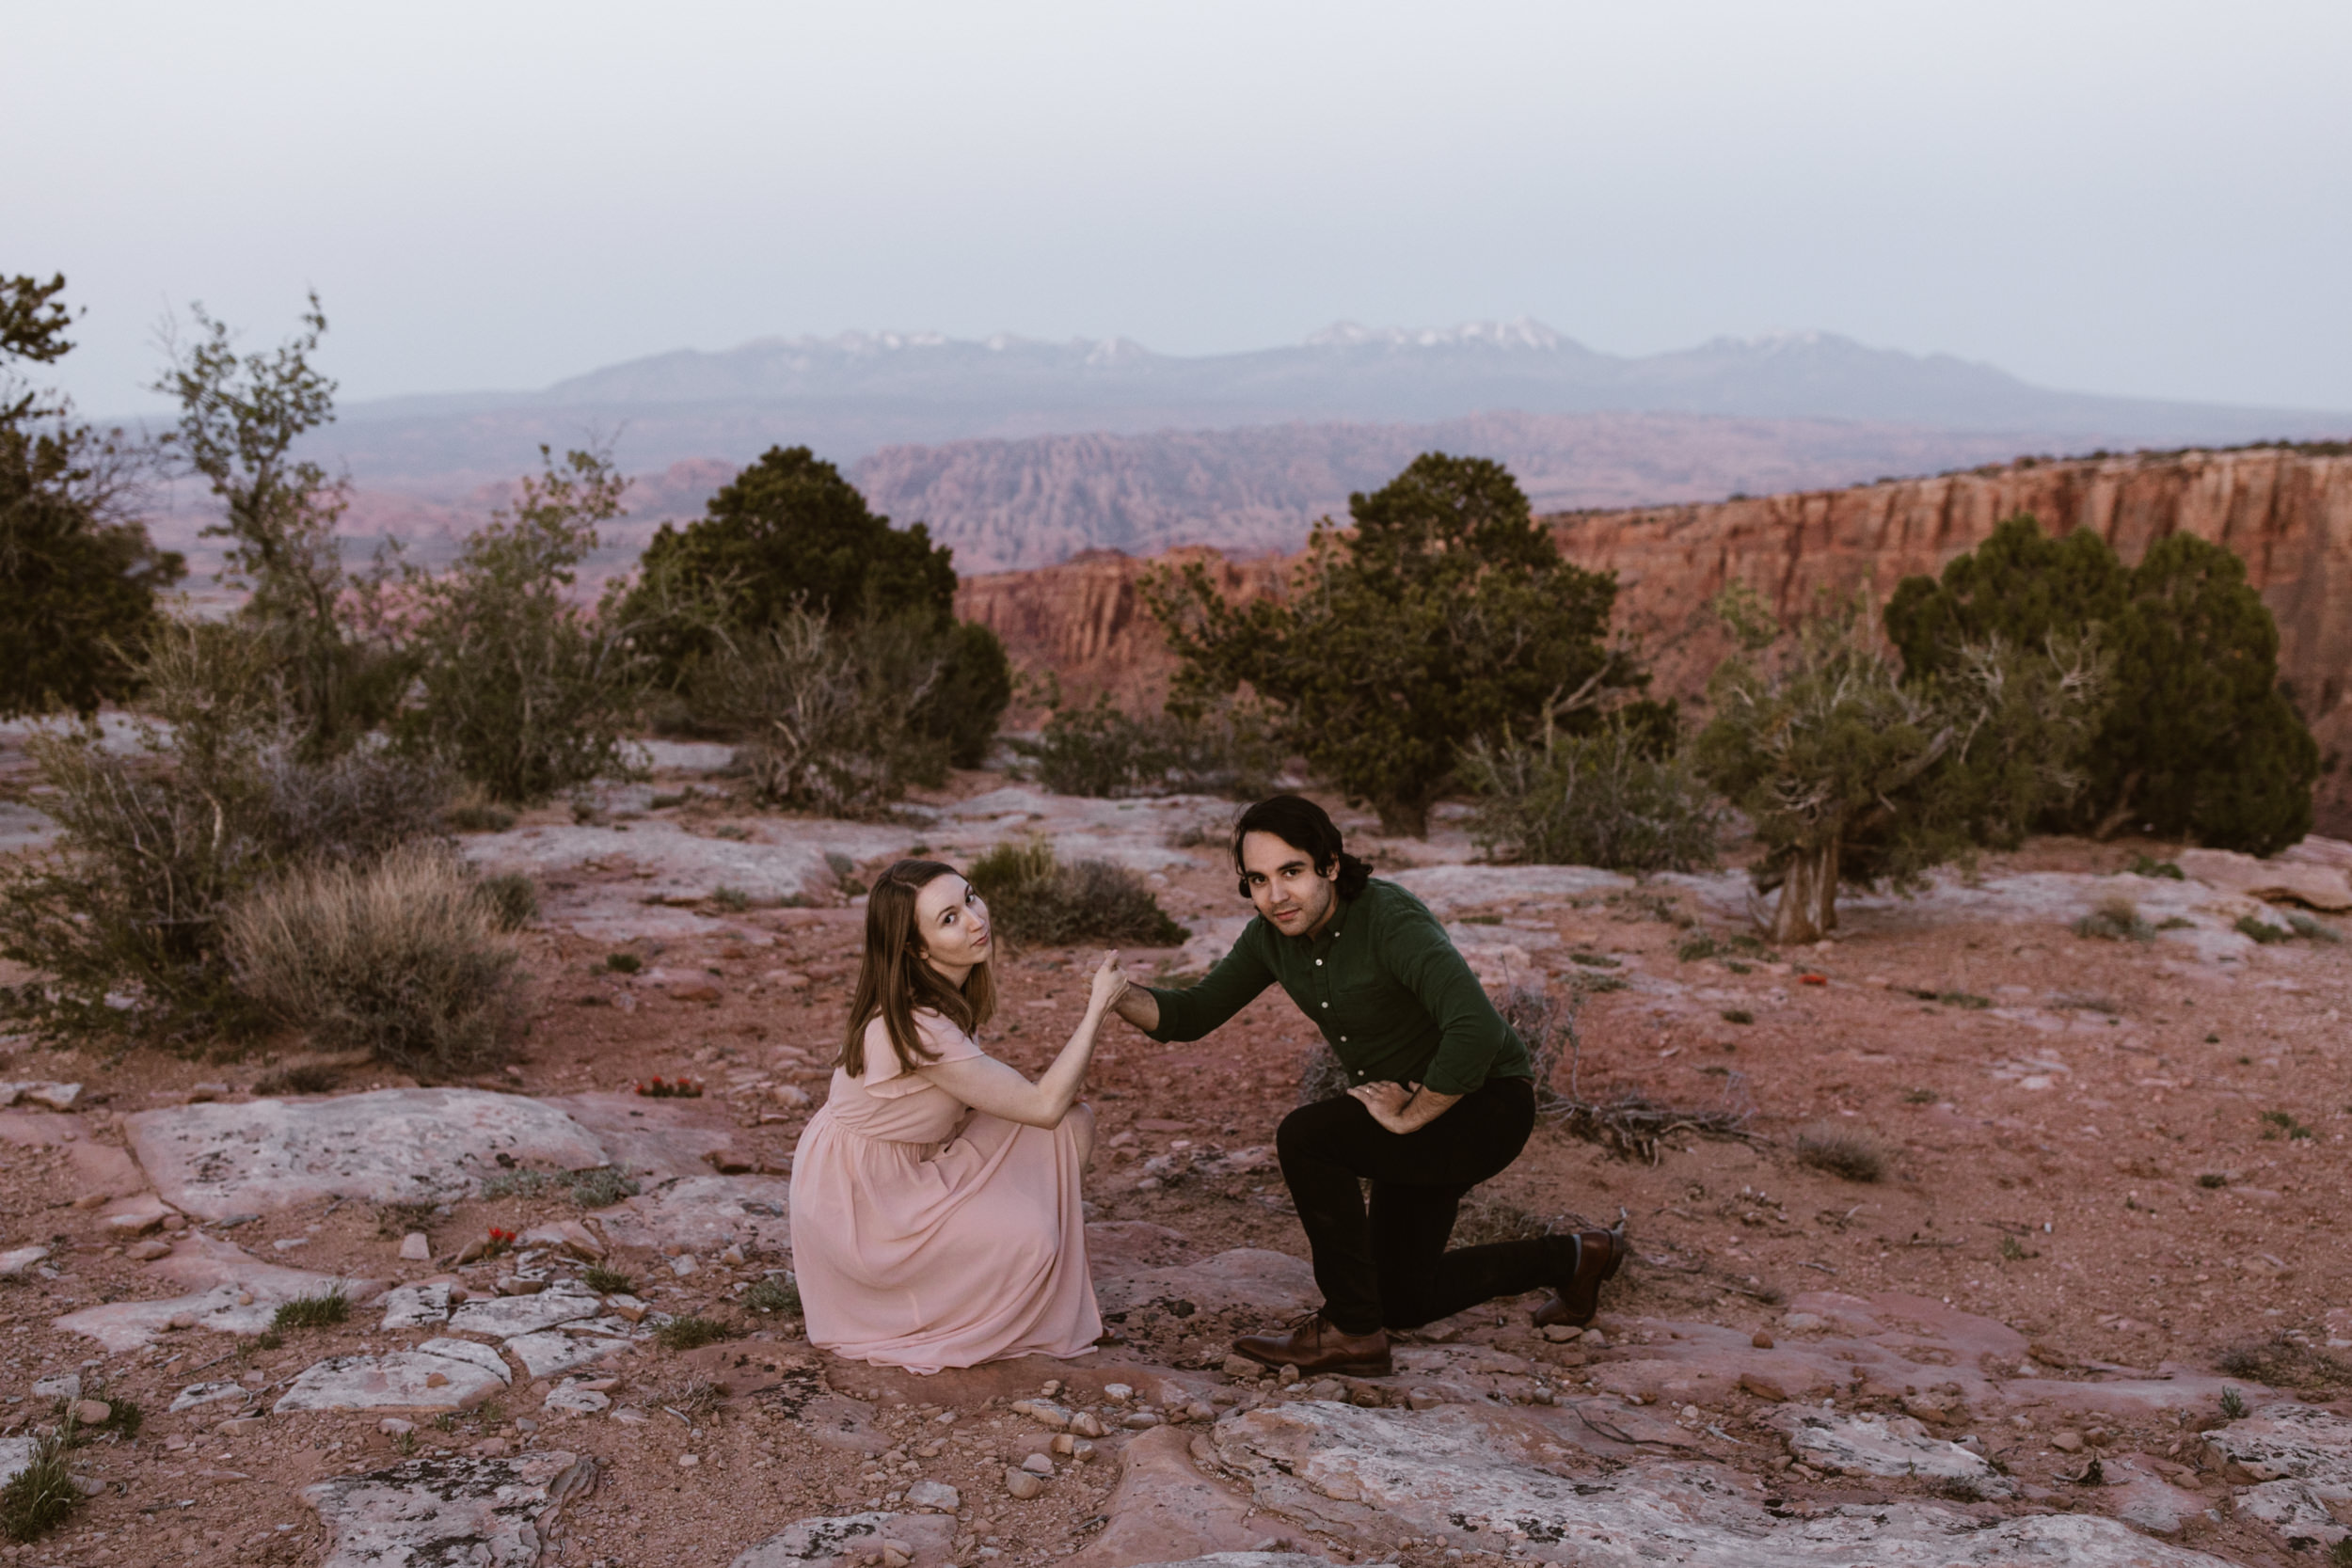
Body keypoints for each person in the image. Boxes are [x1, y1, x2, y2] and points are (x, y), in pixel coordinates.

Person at [1110, 795, 1624, 1376]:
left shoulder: (1389, 919)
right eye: (1258, 879)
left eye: (1291, 872)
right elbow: (1192, 1014)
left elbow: (1476, 1030)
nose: (1275, 895)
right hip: (1415, 1114)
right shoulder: (1270, 938)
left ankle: (1351, 1331)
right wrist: (1118, 995)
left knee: (1308, 1138)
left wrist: (1413, 1113)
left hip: (1484, 1104)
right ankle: (1576, 1257)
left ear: (1330, 864)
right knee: (1403, 1301)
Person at [789, 857, 1128, 1373]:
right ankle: (960, 1299)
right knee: (1033, 1234)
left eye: (969, 897)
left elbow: (1028, 1108)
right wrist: (1097, 1008)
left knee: (1072, 1127)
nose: (976, 919)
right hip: (867, 1206)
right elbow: (1041, 1105)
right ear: (915, 947)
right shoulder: (918, 1027)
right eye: (948, 918)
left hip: (910, 1169)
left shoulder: (940, 998)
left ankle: (993, 1266)